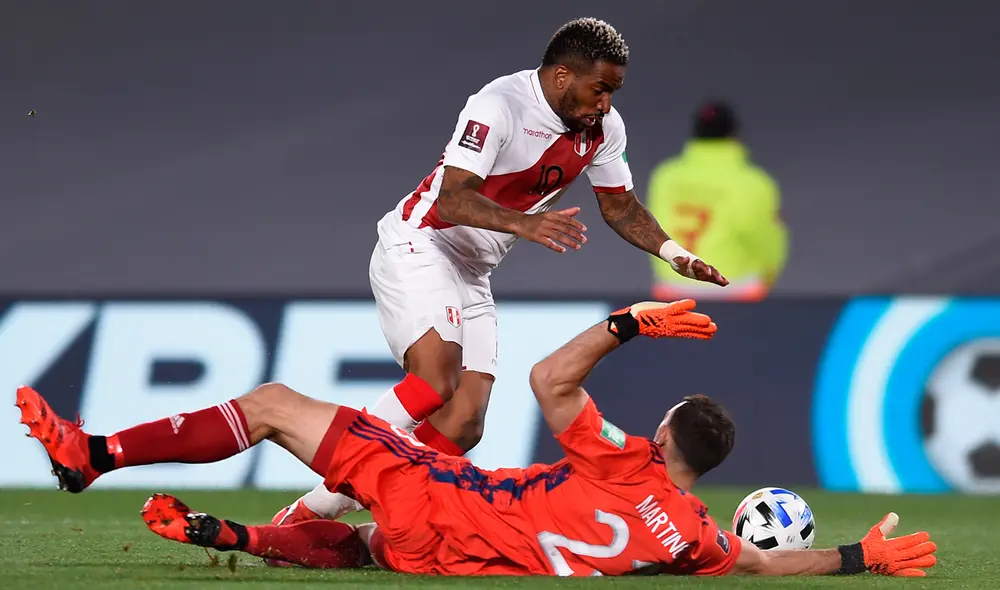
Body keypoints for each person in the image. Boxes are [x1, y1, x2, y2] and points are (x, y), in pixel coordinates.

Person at [18, 300, 936, 578]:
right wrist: (865, 558)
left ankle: (91, 455)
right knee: (372, 543)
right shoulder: (694, 538)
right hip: (450, 558)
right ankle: (244, 537)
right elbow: (767, 569)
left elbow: (551, 382)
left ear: (664, 432)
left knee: (272, 405)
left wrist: (627, 323)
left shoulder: (626, 459)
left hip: (442, 495)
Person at [271, 16, 730, 534]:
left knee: (465, 422)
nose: (605, 104)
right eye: (599, 89)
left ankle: (316, 510)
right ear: (562, 77)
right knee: (433, 380)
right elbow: (452, 197)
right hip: (422, 240)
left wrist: (673, 253)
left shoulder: (604, 128)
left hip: (472, 270)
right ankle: (316, 496)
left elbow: (620, 207)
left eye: (613, 92)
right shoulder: (498, 105)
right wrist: (525, 223)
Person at [646, 100, 787, 301]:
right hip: (735, 287)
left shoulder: (665, 176)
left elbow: (650, 228)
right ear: (734, 135)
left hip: (673, 287)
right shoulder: (754, 182)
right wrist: (767, 278)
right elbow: (766, 240)